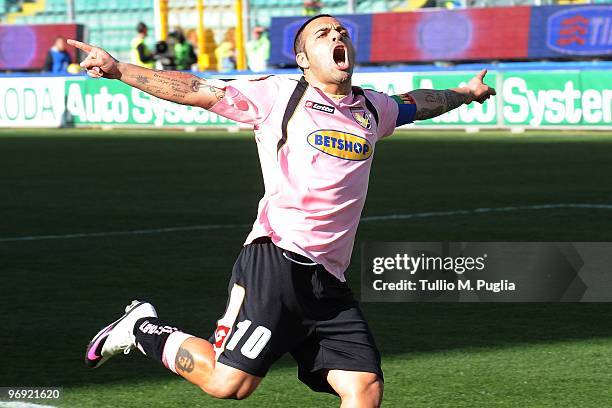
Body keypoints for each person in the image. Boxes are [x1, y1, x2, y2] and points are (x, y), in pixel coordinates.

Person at [70, 14, 495, 407]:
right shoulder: (278, 95)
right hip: (277, 261)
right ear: (303, 59)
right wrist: (120, 69)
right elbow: (197, 90)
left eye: (341, 32)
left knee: (363, 386)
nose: (337, 36)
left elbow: (416, 103)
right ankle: (140, 327)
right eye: (323, 34)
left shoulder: (371, 108)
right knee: (229, 384)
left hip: (328, 280)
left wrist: (464, 94)